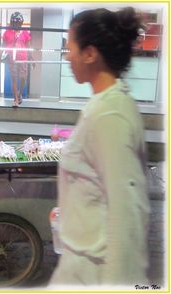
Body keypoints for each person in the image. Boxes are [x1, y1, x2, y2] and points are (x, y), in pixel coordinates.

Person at [49, 7, 150, 287]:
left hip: (93, 274)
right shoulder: (103, 105)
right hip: (77, 268)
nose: (67, 56)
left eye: (70, 48)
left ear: (90, 53)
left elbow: (127, 214)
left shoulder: (110, 116)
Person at [0, 12, 33, 107]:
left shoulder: (25, 33)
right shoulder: (7, 32)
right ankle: (15, 100)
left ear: (21, 22)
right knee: (14, 79)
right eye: (14, 22)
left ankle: (20, 94)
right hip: (12, 59)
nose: (16, 24)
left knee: (23, 78)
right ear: (12, 22)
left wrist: (32, 59)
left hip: (23, 58)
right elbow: (2, 46)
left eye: (18, 22)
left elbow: (28, 47)